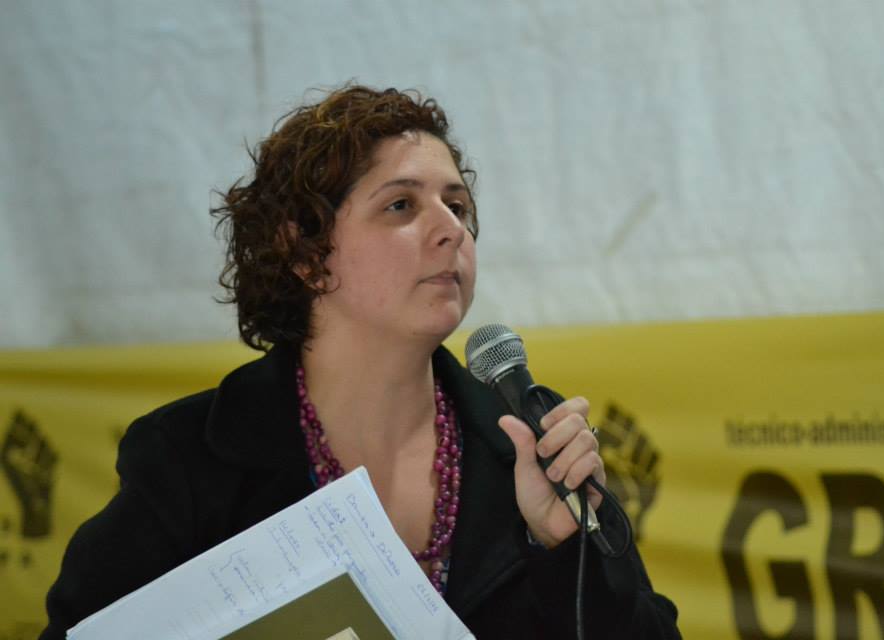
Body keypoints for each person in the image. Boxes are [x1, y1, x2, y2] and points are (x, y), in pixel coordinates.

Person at [41, 85, 680, 639]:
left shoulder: (527, 441)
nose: (451, 230)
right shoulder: (191, 459)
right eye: (401, 205)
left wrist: (564, 547)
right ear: (305, 254)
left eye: (457, 206)